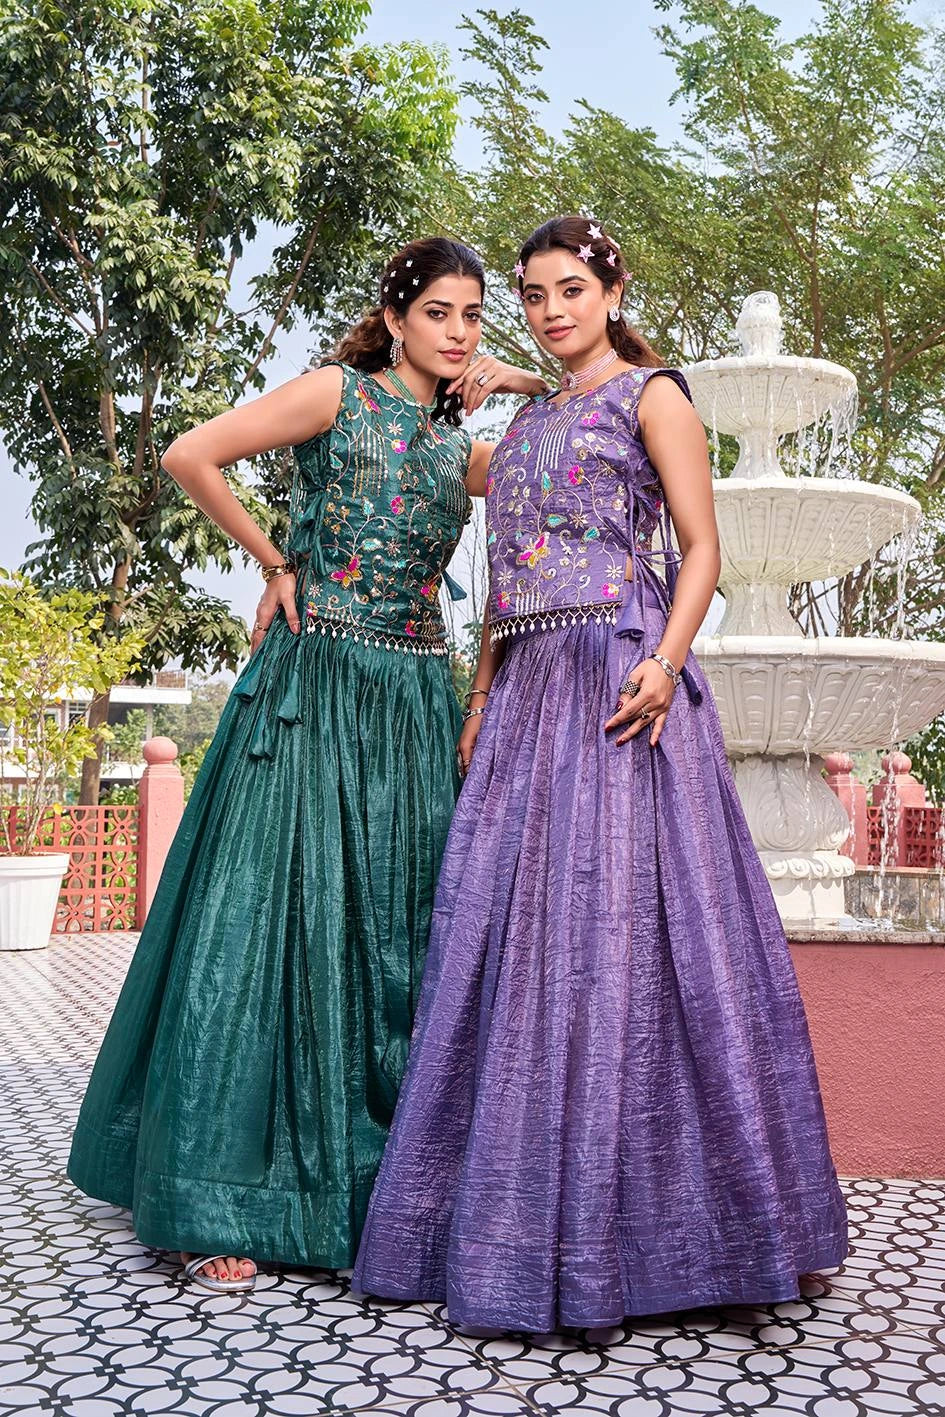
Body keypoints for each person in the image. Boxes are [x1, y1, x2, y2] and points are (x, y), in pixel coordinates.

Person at [353, 216, 849, 1331]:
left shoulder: (654, 395)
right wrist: (480, 697)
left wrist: (667, 663)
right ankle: (499, 1225)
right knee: (510, 942)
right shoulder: (534, 411)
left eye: (569, 289)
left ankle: (681, 1237)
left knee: (630, 945)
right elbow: (504, 572)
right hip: (528, 689)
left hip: (624, 683)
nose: (549, 309)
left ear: (613, 286)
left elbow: (702, 544)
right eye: (531, 295)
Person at [67, 236, 547, 1294]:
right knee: (271, 925)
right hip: (316, 681)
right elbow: (189, 452)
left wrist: (524, 381)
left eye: (474, 317)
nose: (459, 332)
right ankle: (220, 1193)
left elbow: (578, 444)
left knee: (396, 933)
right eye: (440, 313)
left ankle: (388, 1187)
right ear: (396, 317)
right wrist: (276, 561)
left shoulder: (466, 446)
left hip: (417, 700)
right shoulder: (339, 393)